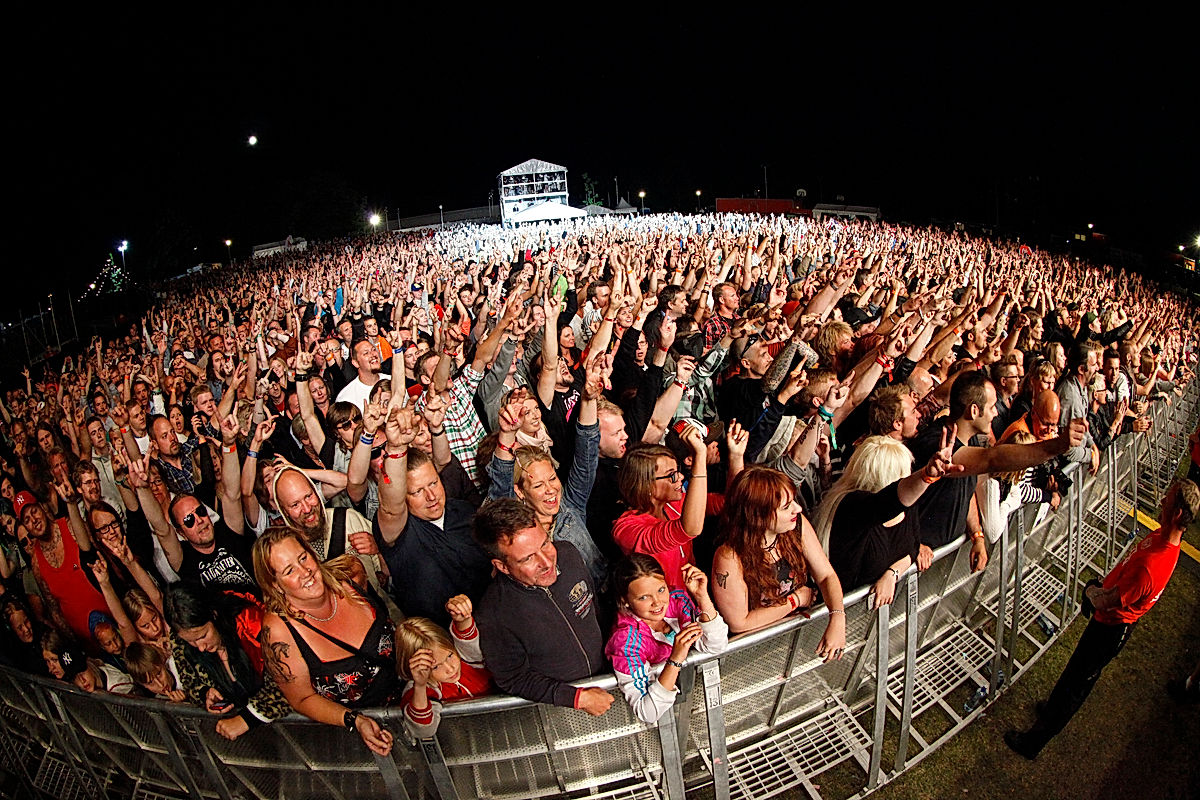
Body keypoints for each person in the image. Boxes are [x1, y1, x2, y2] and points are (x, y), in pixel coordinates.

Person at [1005, 479, 1199, 759]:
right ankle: (1050, 711)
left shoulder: (1152, 566)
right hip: (1108, 620)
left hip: (1110, 629)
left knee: (1077, 684)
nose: (1161, 502)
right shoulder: (1164, 541)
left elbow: (1109, 600)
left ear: (1178, 513)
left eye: (1167, 499)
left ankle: (1034, 741)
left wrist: (1090, 590)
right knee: (1073, 674)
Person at [254, 527, 398, 756]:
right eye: (289, 570)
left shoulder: (350, 574)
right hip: (361, 741)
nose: (305, 572)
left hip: (412, 703)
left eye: (303, 558)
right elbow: (301, 698)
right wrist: (354, 720)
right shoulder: (279, 632)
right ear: (275, 585)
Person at [472, 499, 612, 716]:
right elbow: (513, 678)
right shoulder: (494, 613)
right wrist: (576, 698)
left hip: (609, 682)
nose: (547, 562)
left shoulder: (568, 554)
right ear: (502, 566)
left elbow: (596, 610)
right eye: (528, 558)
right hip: (559, 710)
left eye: (545, 543)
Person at [814, 430, 961, 604]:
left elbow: (912, 549)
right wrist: (926, 476)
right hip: (837, 614)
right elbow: (888, 503)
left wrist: (892, 574)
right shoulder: (852, 506)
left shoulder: (908, 508)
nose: (908, 473)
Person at [712, 467, 847, 654]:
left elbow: (826, 575)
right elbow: (739, 623)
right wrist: (795, 600)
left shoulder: (796, 524)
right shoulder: (729, 557)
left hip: (800, 634)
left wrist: (838, 617)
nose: (797, 509)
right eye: (786, 507)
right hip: (759, 650)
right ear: (758, 516)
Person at [605, 555, 728, 724]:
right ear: (625, 601)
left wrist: (702, 598)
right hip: (654, 727)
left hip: (692, 703)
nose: (657, 602)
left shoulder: (677, 599)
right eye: (644, 597)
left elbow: (717, 645)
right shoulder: (625, 642)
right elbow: (647, 712)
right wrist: (675, 659)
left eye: (661, 590)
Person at [163, 582, 290, 741]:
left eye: (203, 636)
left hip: (291, 731)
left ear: (214, 615)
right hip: (249, 741)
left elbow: (289, 681)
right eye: (192, 642)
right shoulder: (181, 639)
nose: (200, 647)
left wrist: (246, 719)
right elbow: (190, 681)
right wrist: (205, 693)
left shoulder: (250, 623)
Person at [396, 594, 492, 739]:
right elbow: (423, 731)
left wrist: (463, 618)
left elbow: (468, 640)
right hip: (459, 745)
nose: (450, 668)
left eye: (449, 656)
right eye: (435, 667)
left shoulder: (466, 658)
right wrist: (420, 686)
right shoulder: (423, 689)